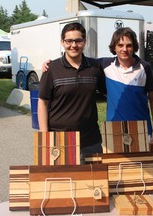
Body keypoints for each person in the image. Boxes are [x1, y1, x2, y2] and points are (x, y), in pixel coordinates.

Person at [42, 27, 153, 143]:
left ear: (134, 47)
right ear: (114, 47)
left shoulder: (145, 67)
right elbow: (79, 60)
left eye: (129, 45)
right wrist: (50, 63)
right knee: (116, 162)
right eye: (120, 45)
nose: (124, 49)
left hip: (142, 128)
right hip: (114, 129)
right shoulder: (103, 64)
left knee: (141, 161)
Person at [37, 22, 105, 164]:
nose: (73, 45)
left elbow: (119, 61)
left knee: (93, 183)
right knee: (61, 183)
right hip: (59, 138)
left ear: (84, 42)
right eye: (69, 41)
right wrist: (45, 136)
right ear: (62, 42)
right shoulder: (51, 69)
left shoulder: (95, 68)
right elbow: (43, 102)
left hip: (90, 140)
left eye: (78, 40)